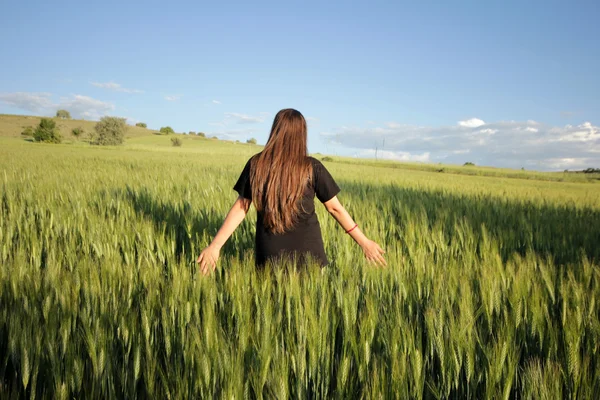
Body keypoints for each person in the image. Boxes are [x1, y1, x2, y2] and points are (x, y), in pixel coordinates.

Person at [197, 108, 386, 274]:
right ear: (301, 134)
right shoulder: (312, 167)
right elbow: (335, 209)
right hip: (309, 257)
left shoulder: (256, 164)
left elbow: (241, 207)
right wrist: (364, 242)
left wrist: (215, 246)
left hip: (269, 255)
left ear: (275, 131)